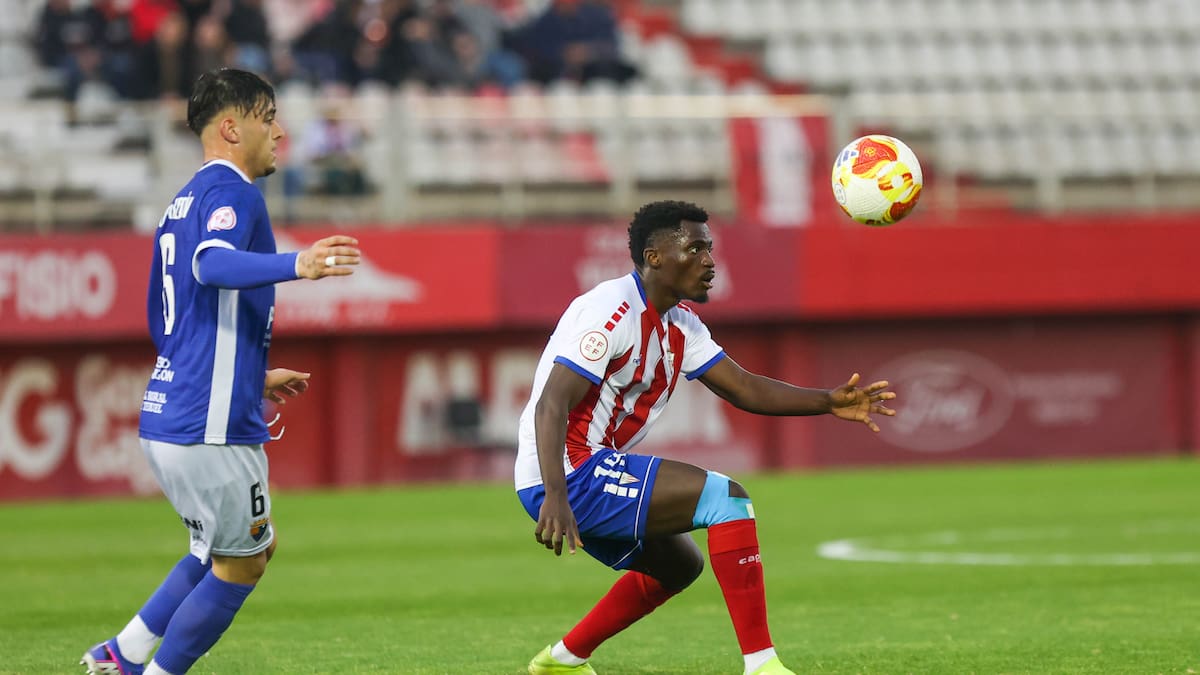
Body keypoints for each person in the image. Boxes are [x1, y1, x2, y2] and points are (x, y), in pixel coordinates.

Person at [516, 200, 897, 675]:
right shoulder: (609, 312)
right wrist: (557, 494)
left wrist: (828, 401)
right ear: (654, 257)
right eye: (694, 248)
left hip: (581, 469)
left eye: (709, 249)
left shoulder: (682, 324)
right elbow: (552, 403)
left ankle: (563, 661)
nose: (710, 261)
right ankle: (762, 666)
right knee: (727, 500)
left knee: (679, 566)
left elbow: (745, 387)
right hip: (568, 471)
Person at [80, 67, 361, 675]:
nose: (281, 132)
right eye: (268, 118)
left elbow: (167, 322)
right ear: (232, 128)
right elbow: (210, 266)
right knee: (245, 560)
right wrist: (299, 263)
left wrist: (248, 376)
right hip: (206, 428)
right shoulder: (235, 192)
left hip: (173, 410)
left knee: (223, 547)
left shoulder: (180, 202)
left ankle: (122, 654)